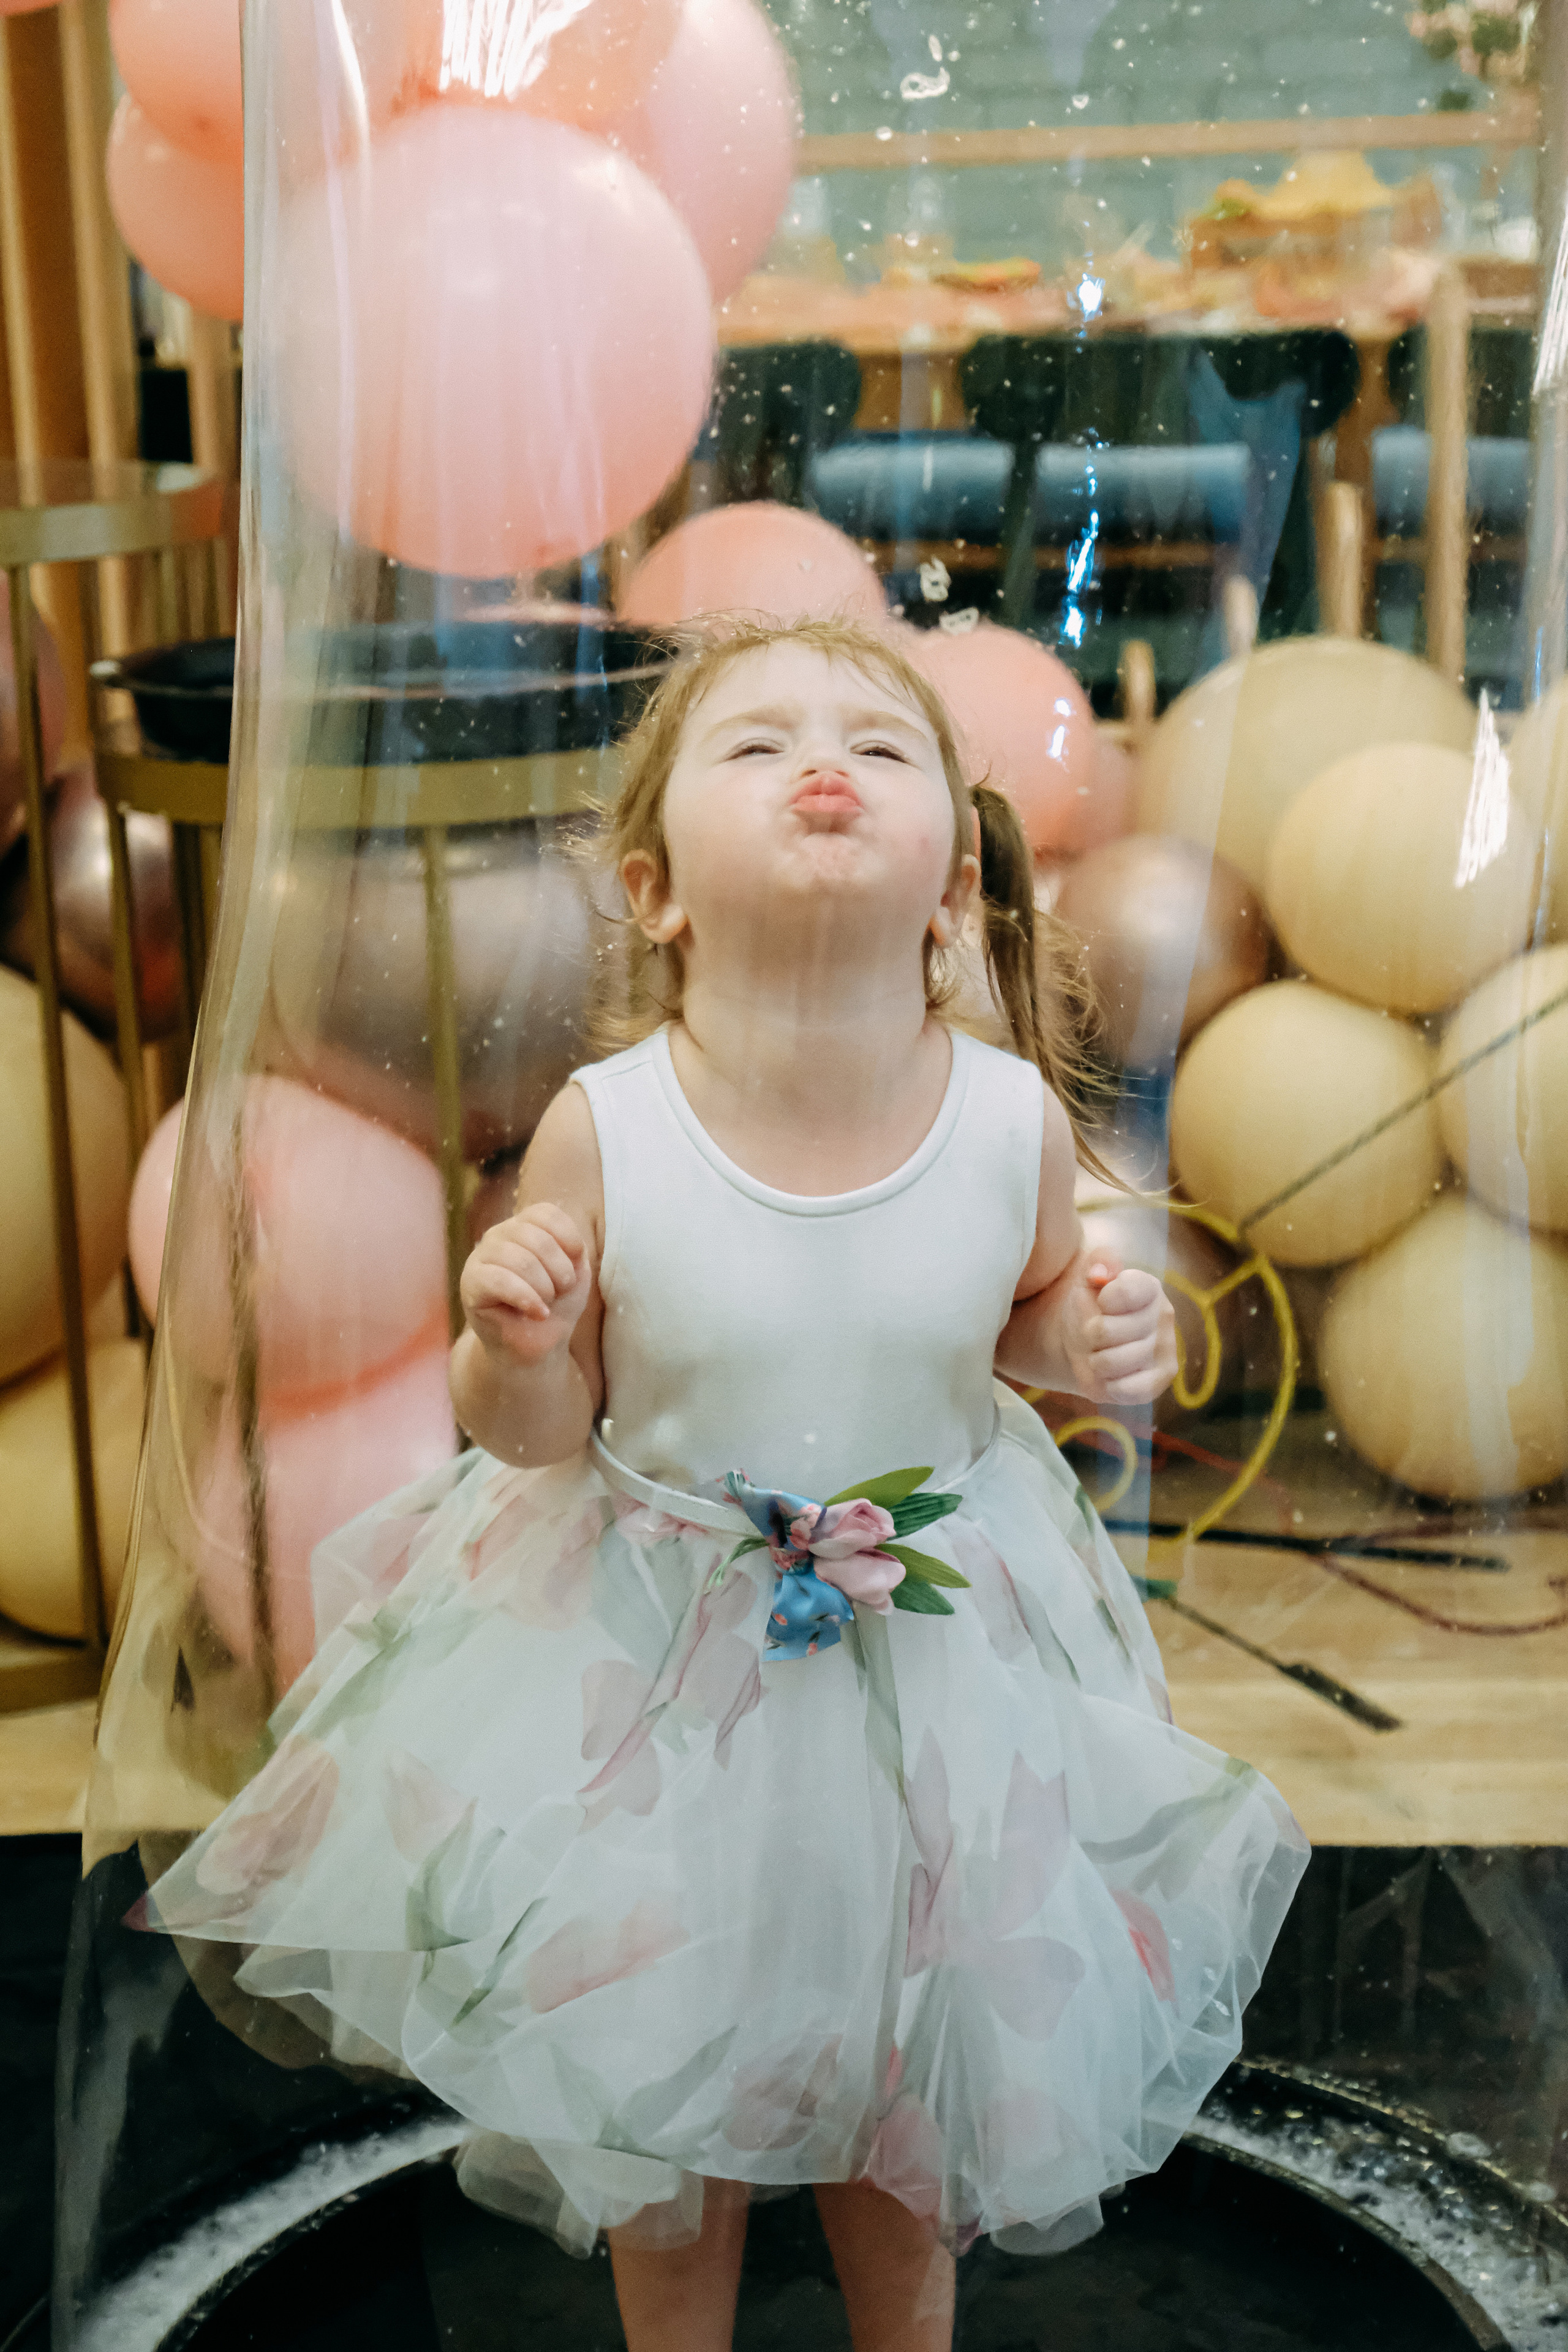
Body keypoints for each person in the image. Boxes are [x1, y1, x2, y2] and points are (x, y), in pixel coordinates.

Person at [139, 615, 1306, 2352]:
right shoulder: (611, 1126)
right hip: (654, 1672)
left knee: (915, 2090)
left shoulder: (1003, 1124)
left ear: (944, 888)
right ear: (657, 891)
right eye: (754, 745)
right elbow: (540, 1433)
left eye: (880, 743)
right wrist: (512, 1344)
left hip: (934, 1675)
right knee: (666, 2108)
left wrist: (1099, 1335)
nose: (821, 758)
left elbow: (1027, 1317)